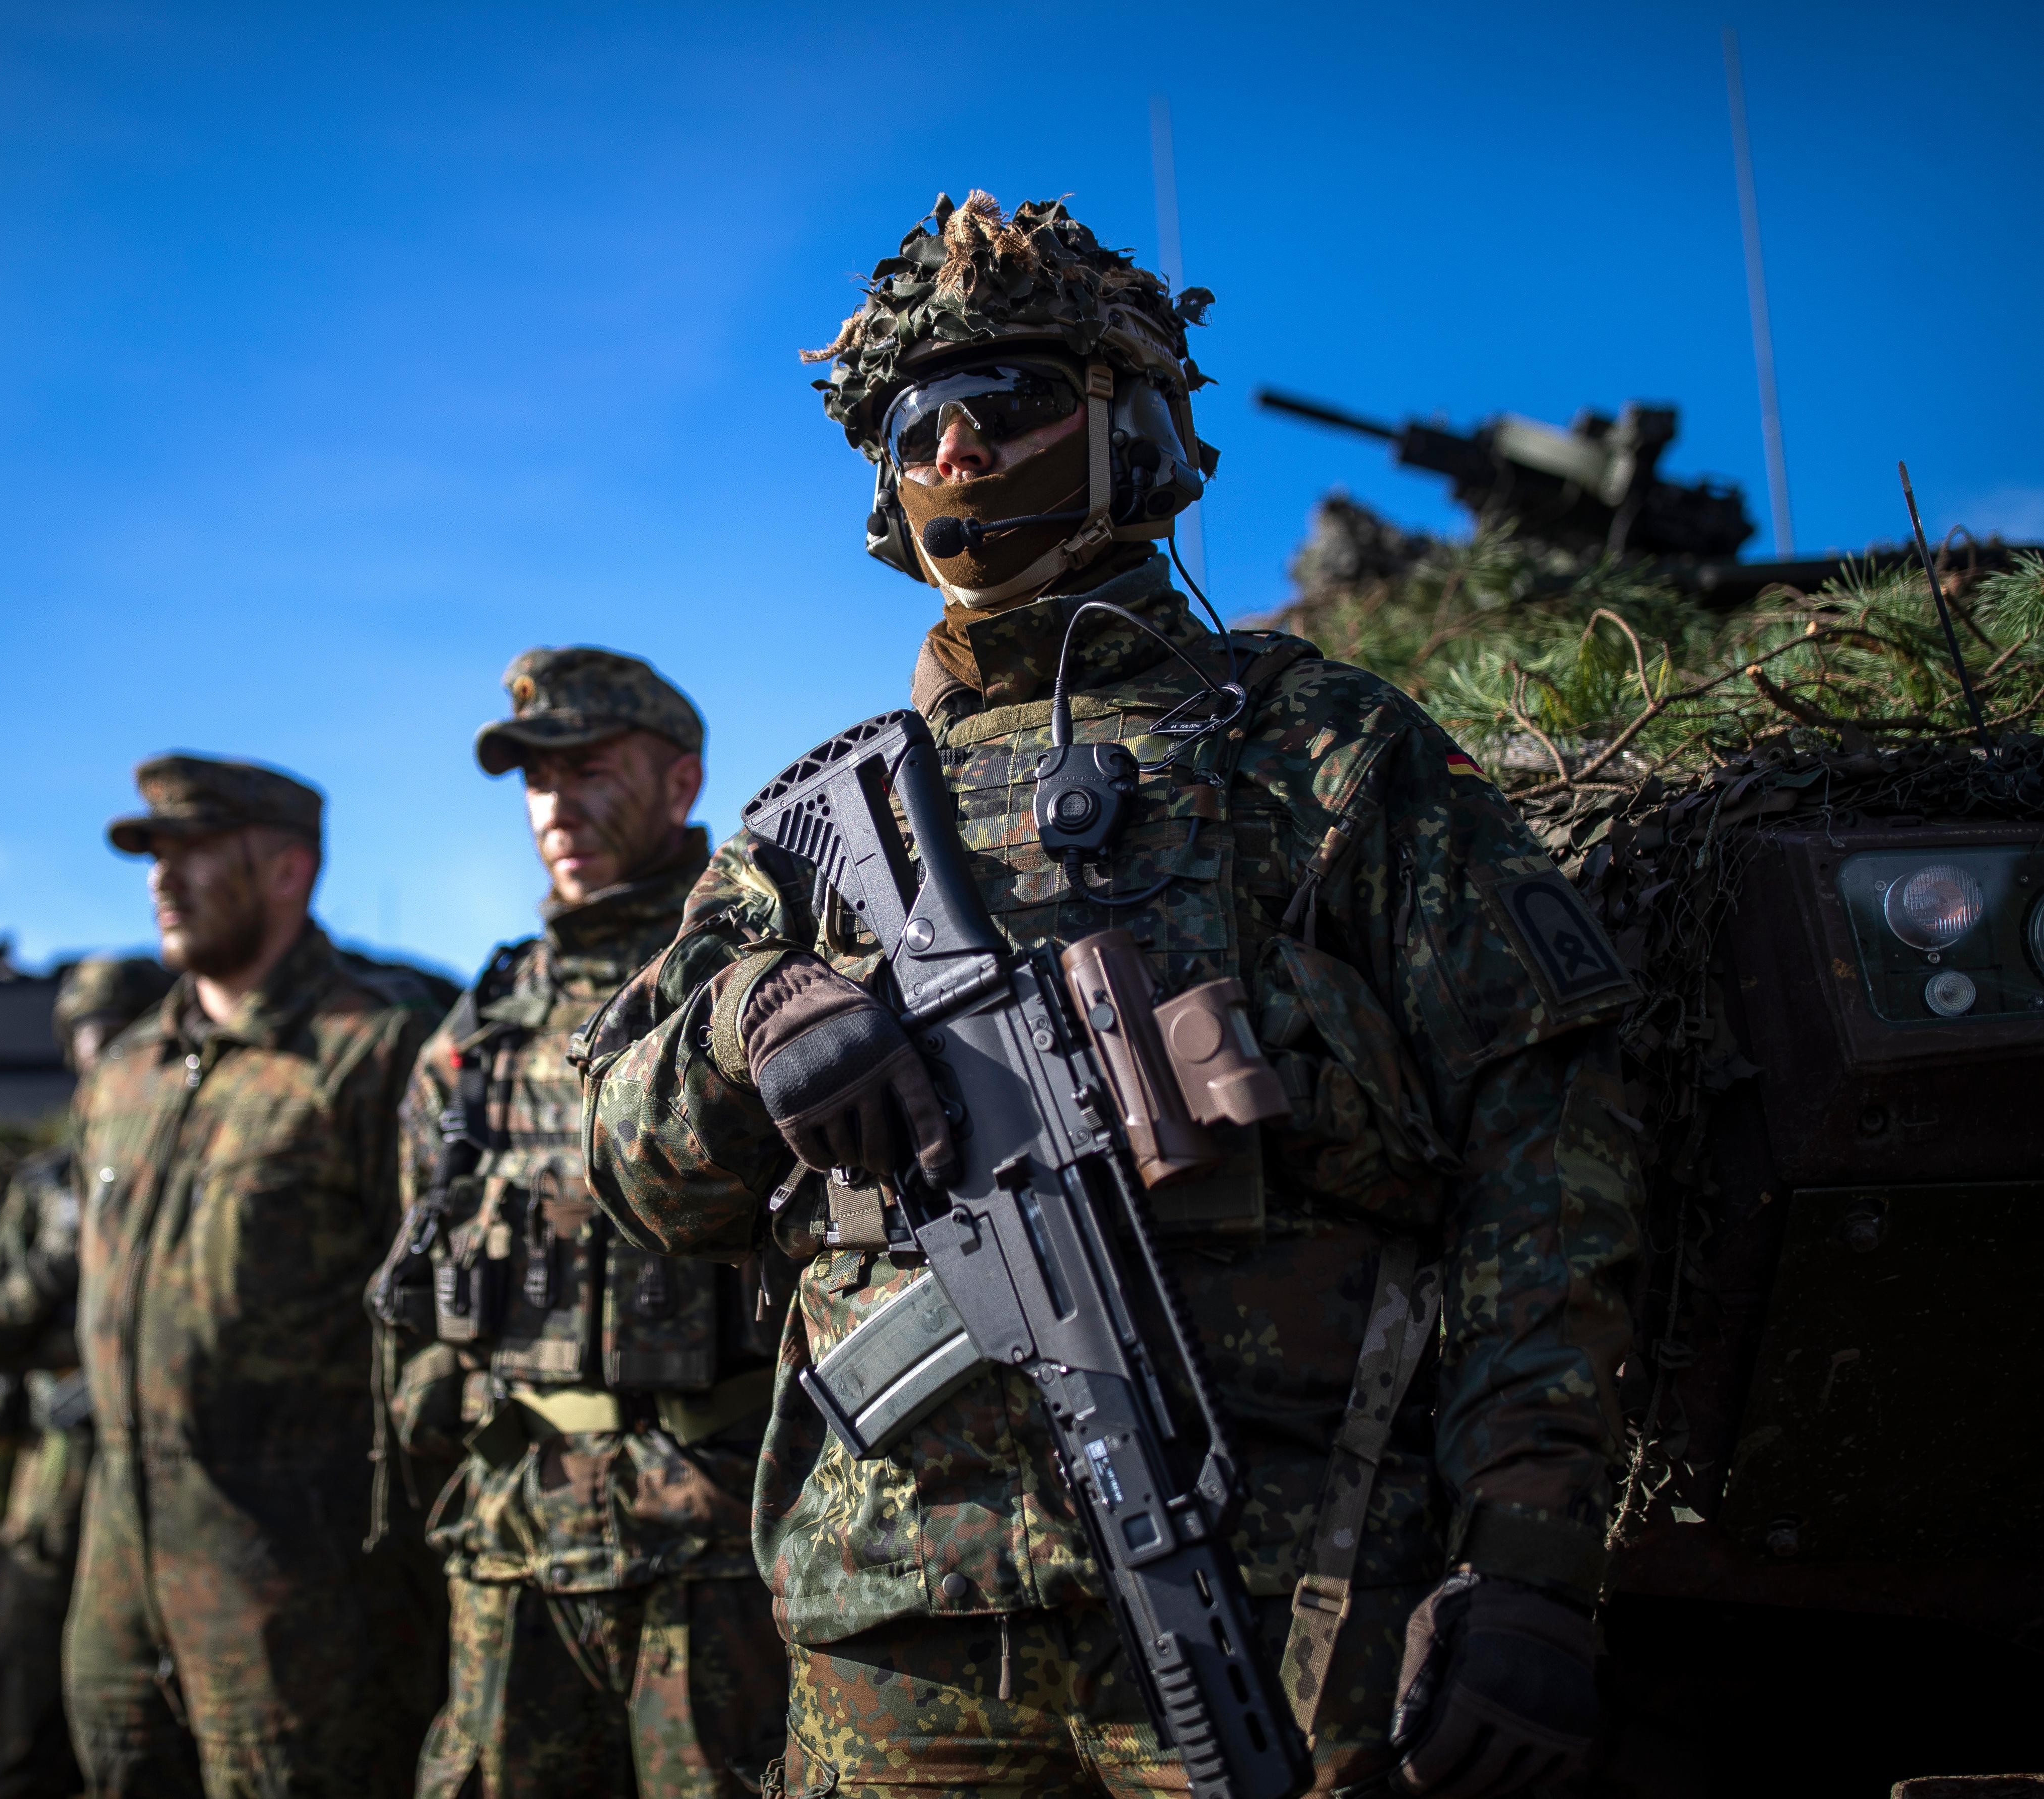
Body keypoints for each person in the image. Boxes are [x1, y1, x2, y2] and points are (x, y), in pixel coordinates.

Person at [575, 193, 1641, 1797]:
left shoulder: (1318, 751)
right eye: (913, 423)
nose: (951, 455)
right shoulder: (810, 835)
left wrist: (1531, 1545)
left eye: (1000, 406)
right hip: (895, 1614)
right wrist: (751, 1022)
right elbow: (630, 1167)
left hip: (1280, 1584)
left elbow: (1549, 1142)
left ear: (1127, 422)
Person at [371, 648, 787, 1798]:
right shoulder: (482, 1026)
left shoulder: (758, 985)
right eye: (536, 777)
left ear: (681, 783)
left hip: (719, 1550)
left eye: (591, 767)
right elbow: (419, 1270)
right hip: (514, 1549)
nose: (555, 802)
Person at [65, 754, 444, 1799]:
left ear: (289, 870)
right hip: (121, 1567)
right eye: (154, 855)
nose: (163, 880)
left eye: (196, 852)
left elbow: (438, 1327)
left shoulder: (374, 1048)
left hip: (302, 1589)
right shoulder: (126, 1069)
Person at [0, 955, 176, 1799]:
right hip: (59, 1484)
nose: (104, 1057)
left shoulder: (196, 1172)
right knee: (23, 1720)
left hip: (174, 1479)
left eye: (120, 1038)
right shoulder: (46, 1190)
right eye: (90, 1043)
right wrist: (56, 1256)